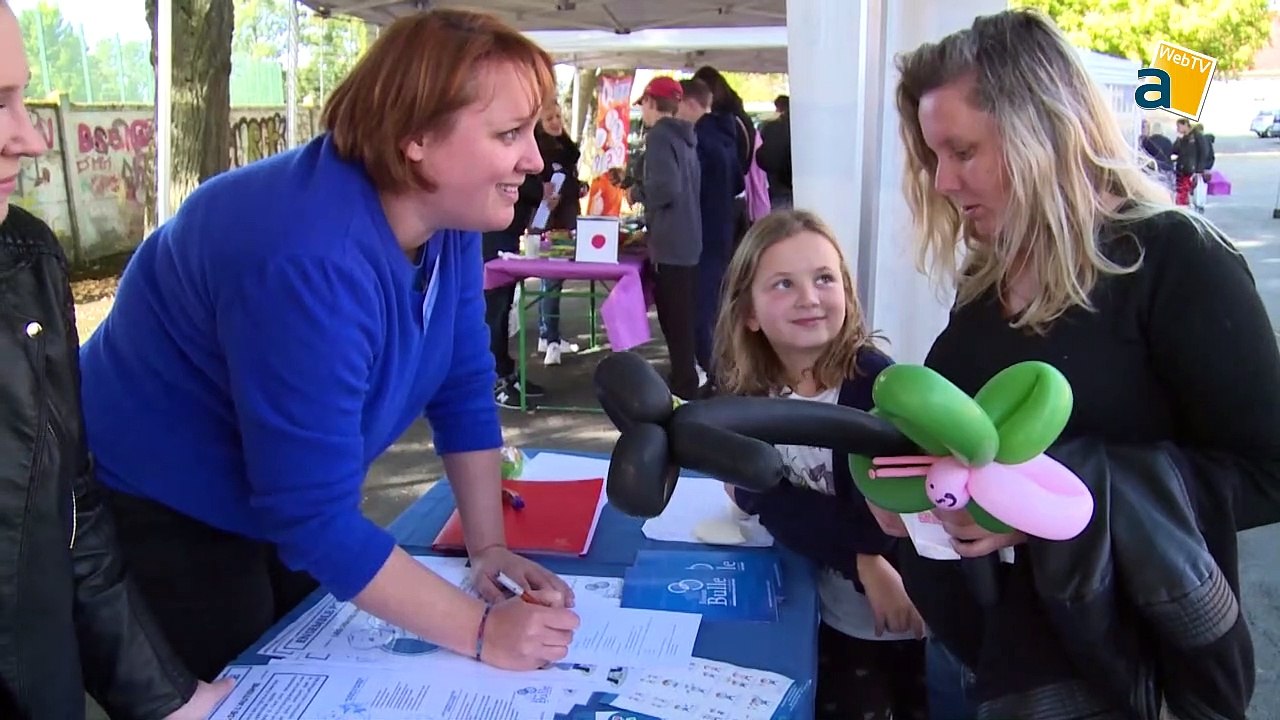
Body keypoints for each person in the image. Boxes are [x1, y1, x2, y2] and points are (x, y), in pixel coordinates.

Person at [78, 9, 580, 682]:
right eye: (509, 133)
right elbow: (310, 515)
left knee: (311, 651)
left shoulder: (448, 215)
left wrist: (487, 547)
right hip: (155, 501)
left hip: (271, 497)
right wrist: (485, 632)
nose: (536, 159)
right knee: (244, 683)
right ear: (416, 137)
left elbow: (462, 384)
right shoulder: (307, 252)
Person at [888, 9, 1280, 719]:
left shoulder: (1177, 262)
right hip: (992, 658)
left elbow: (1267, 473)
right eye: (932, 156)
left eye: (962, 151)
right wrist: (904, 491)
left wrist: (1050, 504)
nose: (942, 180)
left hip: (1124, 673)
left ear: (1042, 132)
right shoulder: (986, 279)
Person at [0, 2, 231, 716]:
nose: (30, 137)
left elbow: (71, 510)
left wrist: (166, 697)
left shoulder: (26, 261)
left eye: (22, 98)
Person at [715, 210, 928, 720]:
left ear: (847, 293)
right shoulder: (753, 391)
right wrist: (860, 558)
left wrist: (866, 556)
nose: (809, 297)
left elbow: (880, 520)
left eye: (824, 279)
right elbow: (751, 488)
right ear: (748, 312)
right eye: (783, 284)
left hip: (889, 610)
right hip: (813, 598)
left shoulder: (877, 387)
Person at [634, 75, 703, 400]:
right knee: (682, 321)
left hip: (671, 242)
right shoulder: (686, 137)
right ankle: (685, 380)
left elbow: (665, 188)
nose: (642, 112)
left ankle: (683, 388)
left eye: (643, 105)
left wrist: (637, 192)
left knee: (674, 321)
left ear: (651, 102)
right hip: (688, 237)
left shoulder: (660, 137)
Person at [677, 77, 742, 388]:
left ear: (690, 103)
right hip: (723, 228)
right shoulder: (728, 133)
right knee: (714, 304)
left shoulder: (698, 140)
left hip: (701, 230)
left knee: (701, 308)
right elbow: (739, 182)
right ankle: (719, 369)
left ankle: (712, 371)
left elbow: (688, 187)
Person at [484, 172, 546, 410]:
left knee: (503, 310)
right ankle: (494, 381)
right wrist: (540, 191)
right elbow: (507, 176)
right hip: (492, 237)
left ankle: (506, 373)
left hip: (508, 235)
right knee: (494, 311)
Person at [532, 103, 583, 365]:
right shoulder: (538, 152)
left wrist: (579, 187)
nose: (556, 122)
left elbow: (568, 183)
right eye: (549, 118)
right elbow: (538, 189)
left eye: (558, 116)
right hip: (550, 224)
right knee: (551, 281)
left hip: (567, 220)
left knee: (554, 281)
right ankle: (550, 339)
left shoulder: (566, 148)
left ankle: (548, 334)